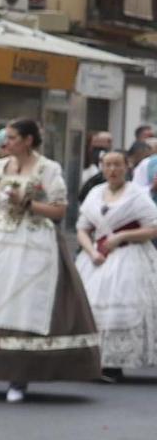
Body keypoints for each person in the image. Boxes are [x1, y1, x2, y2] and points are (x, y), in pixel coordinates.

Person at [0, 119, 102, 402]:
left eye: (12, 137)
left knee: (24, 304)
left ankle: (19, 376)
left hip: (34, 241)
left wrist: (29, 204)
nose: (6, 143)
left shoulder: (49, 169)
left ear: (27, 140)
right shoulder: (0, 167)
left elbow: (60, 210)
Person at [75, 150, 157, 377]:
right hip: (96, 257)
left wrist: (122, 237)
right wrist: (91, 251)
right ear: (102, 167)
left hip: (129, 255)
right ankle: (94, 359)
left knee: (121, 305)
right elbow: (82, 228)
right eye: (108, 165)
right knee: (90, 305)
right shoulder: (95, 192)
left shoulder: (137, 195)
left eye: (117, 165)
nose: (112, 170)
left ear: (126, 167)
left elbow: (153, 227)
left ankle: (113, 361)